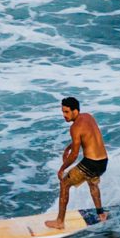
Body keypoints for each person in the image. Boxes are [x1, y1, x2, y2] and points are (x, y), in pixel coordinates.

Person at [45, 95, 108, 229]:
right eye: (62, 111)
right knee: (92, 183)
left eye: (66, 112)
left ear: (75, 110)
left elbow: (74, 155)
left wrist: (62, 169)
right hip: (103, 162)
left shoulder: (74, 128)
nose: (64, 115)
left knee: (64, 183)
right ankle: (101, 214)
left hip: (90, 163)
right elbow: (86, 136)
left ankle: (59, 222)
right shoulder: (88, 117)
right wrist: (70, 146)